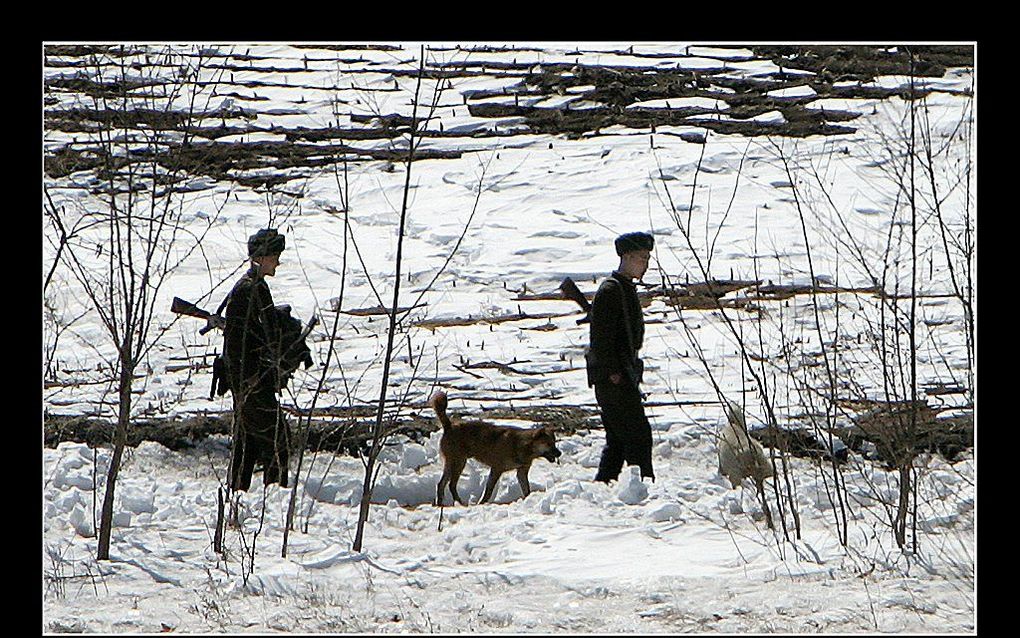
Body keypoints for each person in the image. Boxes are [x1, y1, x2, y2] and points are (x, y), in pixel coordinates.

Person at [223, 228, 292, 491]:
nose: (278, 261)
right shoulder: (250, 290)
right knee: (278, 441)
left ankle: (236, 497)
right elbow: (237, 343)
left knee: (247, 443)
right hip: (251, 381)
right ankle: (275, 500)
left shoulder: (250, 287)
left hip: (248, 380)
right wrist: (250, 379)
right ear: (263, 257)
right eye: (275, 255)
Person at [586, 231, 656, 483]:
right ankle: (643, 485)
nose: (644, 263)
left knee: (617, 441)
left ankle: (603, 487)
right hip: (613, 379)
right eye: (640, 257)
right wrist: (613, 373)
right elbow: (601, 339)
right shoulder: (611, 290)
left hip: (621, 376)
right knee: (638, 436)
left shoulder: (624, 289)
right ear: (625, 257)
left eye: (647, 258)